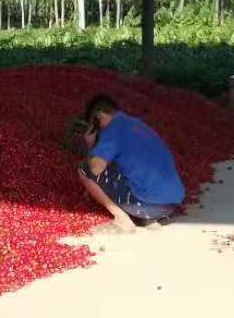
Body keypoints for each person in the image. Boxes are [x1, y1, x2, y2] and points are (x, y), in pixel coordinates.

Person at [75, 94, 185, 232]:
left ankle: (122, 220)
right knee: (115, 168)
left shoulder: (112, 129)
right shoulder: (136, 124)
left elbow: (95, 168)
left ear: (99, 116)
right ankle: (146, 218)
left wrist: (90, 145)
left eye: (93, 124)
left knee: (84, 169)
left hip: (149, 206)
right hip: (171, 204)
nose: (96, 130)